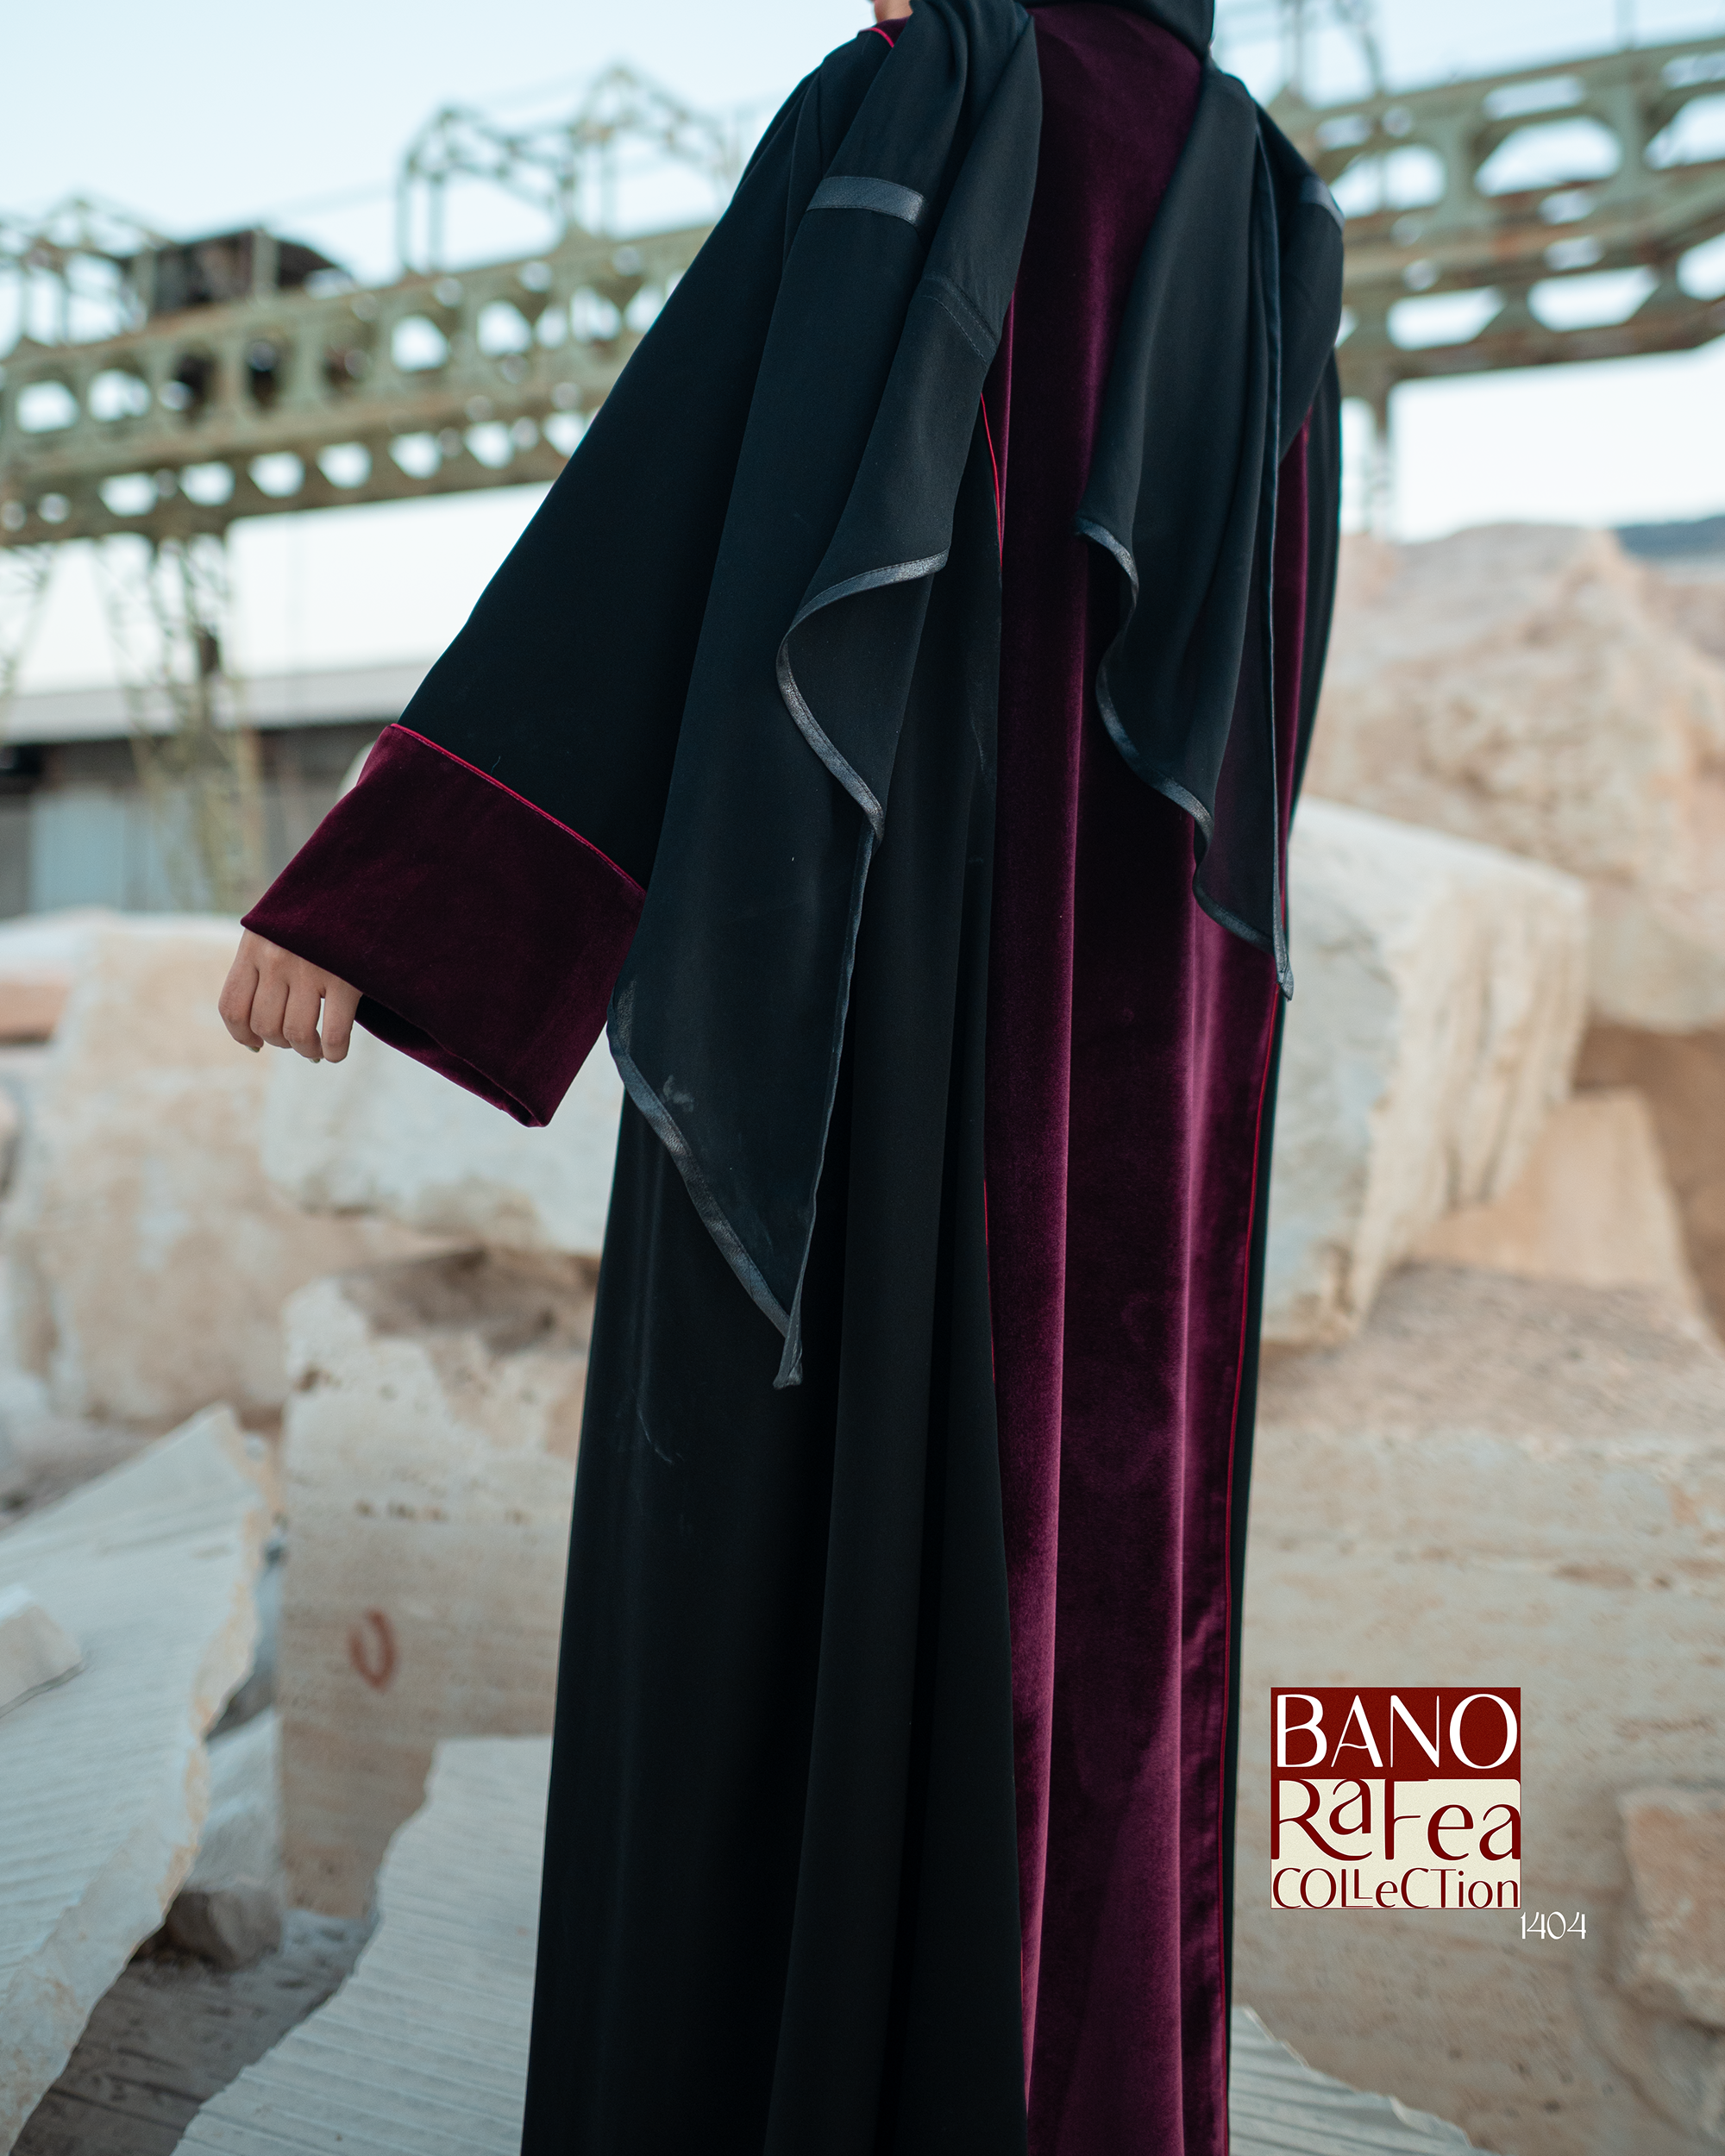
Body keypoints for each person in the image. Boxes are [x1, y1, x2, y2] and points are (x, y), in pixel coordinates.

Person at [219, 3, 1342, 2148]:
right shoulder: (1268, 199)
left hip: (870, 1030)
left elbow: (681, 499)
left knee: (785, 1585)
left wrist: (399, 877)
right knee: (1103, 1618)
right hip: (1149, 1085)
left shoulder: (924, 97)